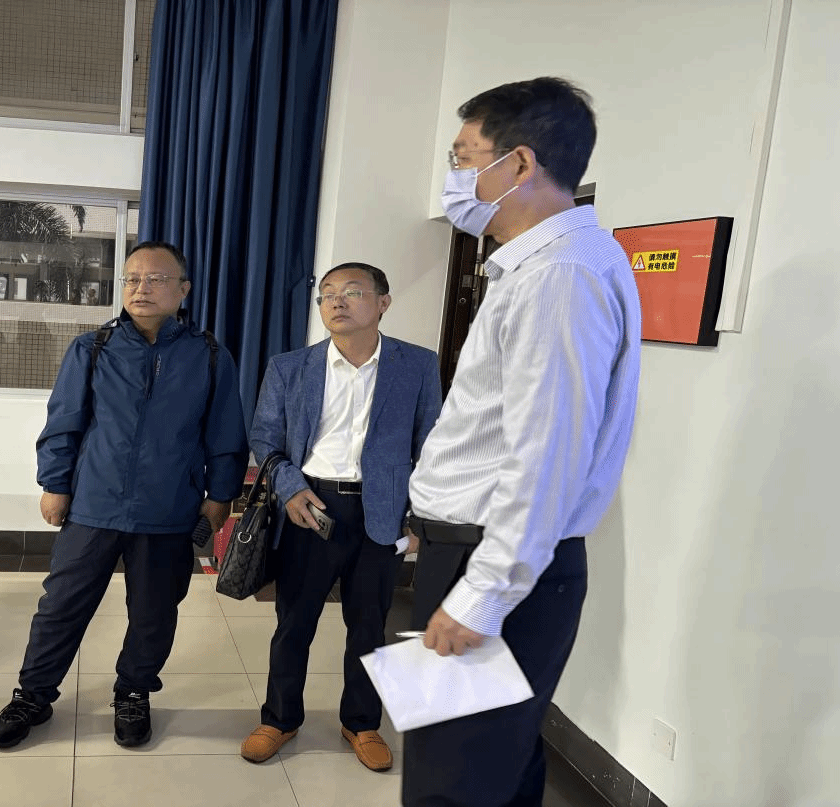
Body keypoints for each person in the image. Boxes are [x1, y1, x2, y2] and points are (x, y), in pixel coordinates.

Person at [402, 77, 642, 807]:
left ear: (520, 163)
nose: (454, 177)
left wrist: (481, 595)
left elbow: (547, 458)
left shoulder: (559, 277)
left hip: (494, 562)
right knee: (493, 770)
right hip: (481, 549)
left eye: (463, 157)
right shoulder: (544, 264)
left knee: (453, 782)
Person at [0, 240, 249, 750]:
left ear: (183, 290)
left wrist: (220, 496)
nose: (140, 288)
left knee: (154, 613)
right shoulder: (92, 348)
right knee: (61, 607)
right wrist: (54, 484)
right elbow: (64, 423)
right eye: (131, 279)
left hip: (169, 509)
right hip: (93, 505)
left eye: (155, 279)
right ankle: (32, 696)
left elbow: (225, 434)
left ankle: (133, 692)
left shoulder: (210, 356)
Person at [239, 262, 442, 771]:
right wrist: (290, 489)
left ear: (383, 302)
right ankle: (280, 718)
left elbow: (431, 443)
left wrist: (420, 518)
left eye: (353, 291)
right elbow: (265, 437)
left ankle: (362, 722)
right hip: (310, 507)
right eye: (327, 293)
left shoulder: (417, 365)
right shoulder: (290, 367)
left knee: (370, 626)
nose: (336, 301)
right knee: (294, 623)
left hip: (382, 512)